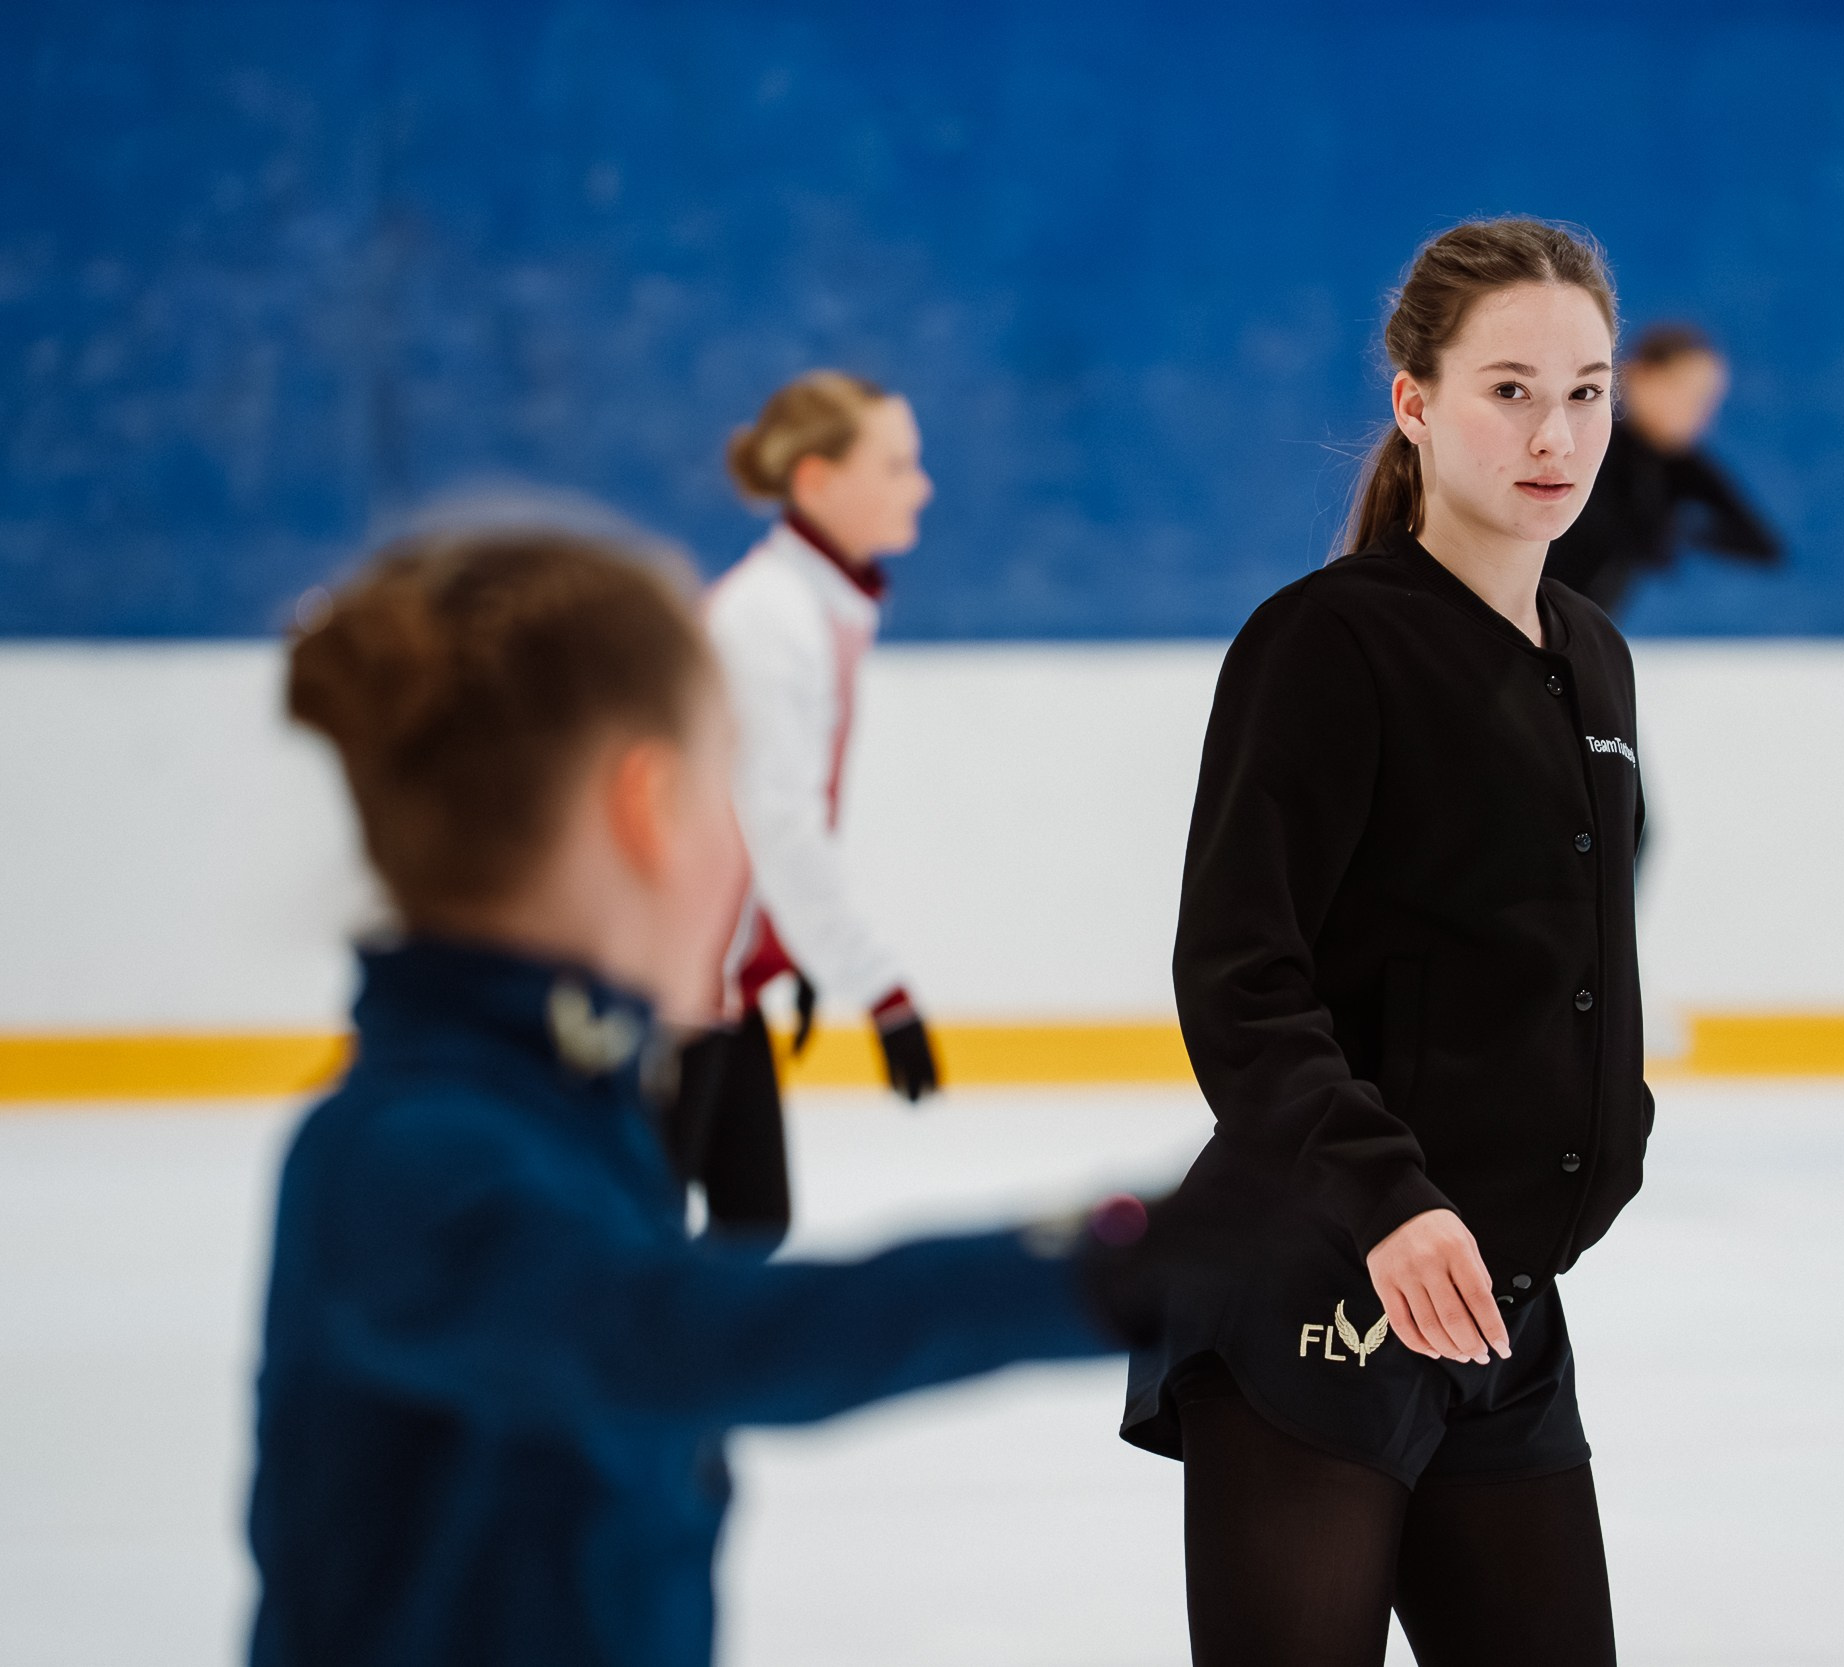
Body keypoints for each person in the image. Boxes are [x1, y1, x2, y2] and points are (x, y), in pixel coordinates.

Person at [248, 525, 1195, 1667]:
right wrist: (1114, 1264)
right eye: (728, 784)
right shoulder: (408, 1154)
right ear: (648, 807)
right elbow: (667, 1332)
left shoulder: (563, 1114)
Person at [1122, 219, 1649, 1666]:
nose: (1555, 434)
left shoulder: (1591, 655)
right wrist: (1386, 1197)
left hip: (1500, 1307)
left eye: (1586, 391)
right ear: (1415, 402)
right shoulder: (1326, 643)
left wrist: (1605, 1138)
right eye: (1509, 390)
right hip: (1321, 1282)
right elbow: (1239, 976)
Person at [665, 370, 939, 1247]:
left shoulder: (814, 605)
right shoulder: (770, 620)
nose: (921, 486)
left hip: (724, 973)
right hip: (677, 976)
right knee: (654, 1229)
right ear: (817, 480)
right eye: (895, 465)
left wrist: (788, 942)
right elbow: (775, 822)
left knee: (752, 1221)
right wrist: (881, 990)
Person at [1542, 322, 1781, 616]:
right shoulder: (1585, 443)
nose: (1700, 414)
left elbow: (1763, 545)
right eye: (1687, 393)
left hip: (1579, 625)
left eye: (1708, 400)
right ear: (1639, 376)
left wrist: (1685, 529)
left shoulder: (1679, 466)